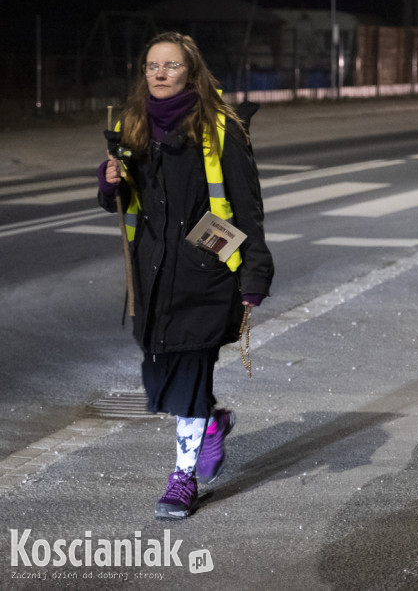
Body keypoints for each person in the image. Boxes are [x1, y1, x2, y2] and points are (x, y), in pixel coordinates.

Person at [96, 31, 274, 520]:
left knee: (191, 371)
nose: (159, 73)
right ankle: (211, 421)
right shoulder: (128, 125)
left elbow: (247, 205)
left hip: (206, 265)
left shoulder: (220, 127)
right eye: (152, 65)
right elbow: (120, 197)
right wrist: (107, 180)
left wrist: (254, 272)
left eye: (170, 65)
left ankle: (182, 479)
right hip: (150, 273)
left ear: (190, 71)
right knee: (159, 379)